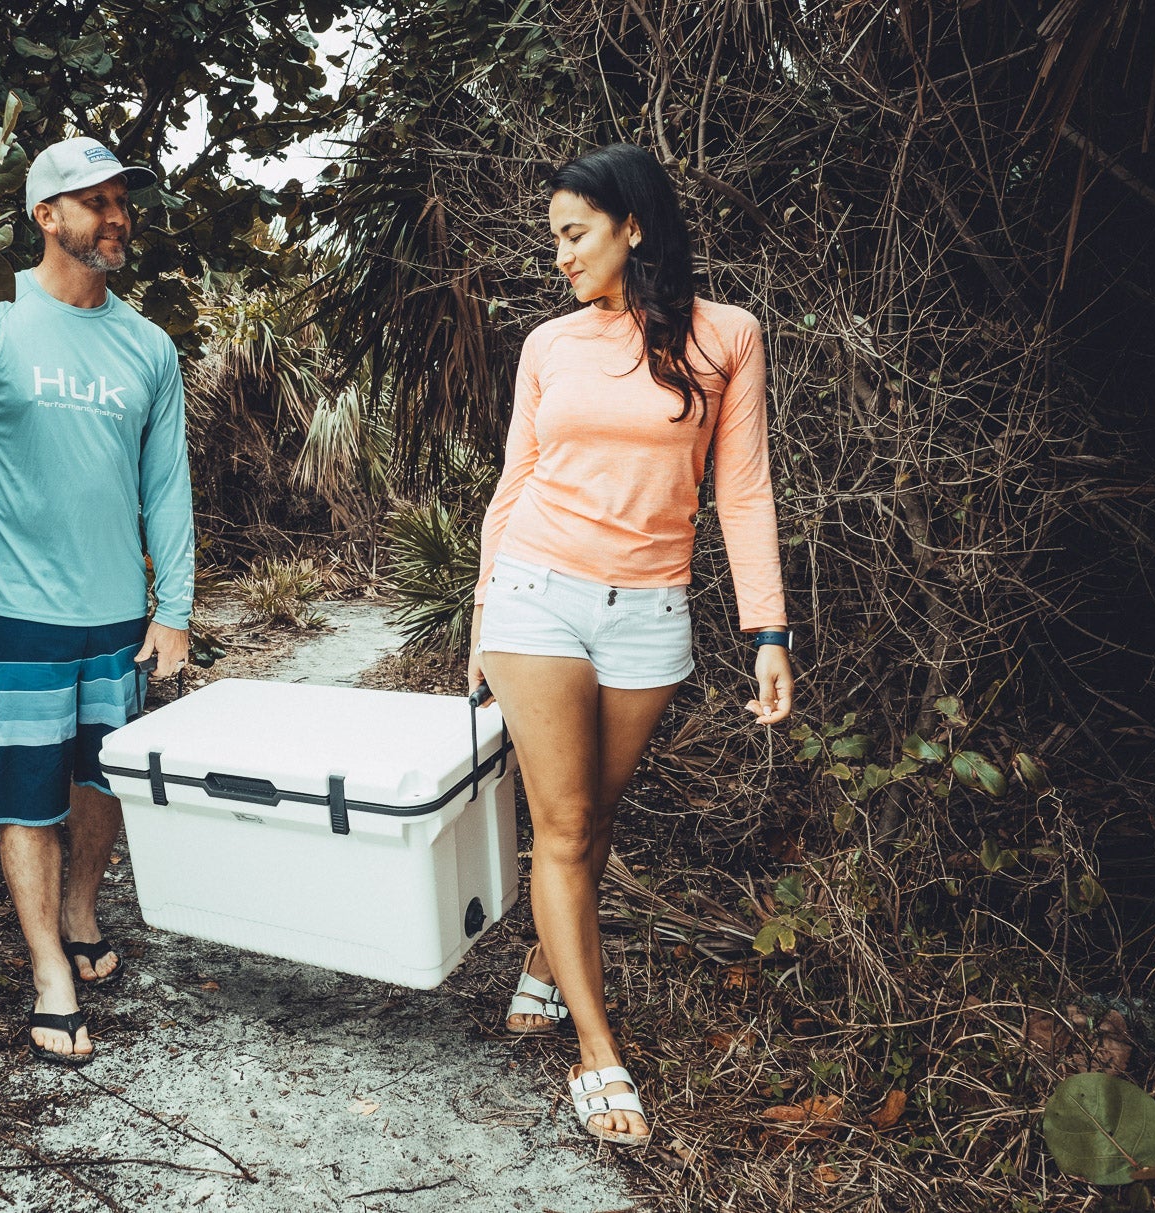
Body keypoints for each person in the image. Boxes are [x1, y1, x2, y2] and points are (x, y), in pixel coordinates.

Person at [467, 144, 794, 1145]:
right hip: (535, 593)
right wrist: (484, 614)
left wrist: (766, 629)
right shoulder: (546, 346)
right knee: (561, 825)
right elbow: (512, 481)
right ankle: (595, 1051)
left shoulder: (726, 337)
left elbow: (739, 489)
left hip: (648, 608)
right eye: (554, 237)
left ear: (631, 228)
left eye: (574, 234)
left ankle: (544, 957)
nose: (558, 256)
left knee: (593, 814)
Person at [0, 136, 194, 1066]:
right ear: (46, 216)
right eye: (95, 200)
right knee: (27, 797)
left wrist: (174, 605)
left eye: (123, 201)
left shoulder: (148, 346)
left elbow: (168, 487)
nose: (116, 217)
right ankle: (48, 974)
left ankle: (80, 907)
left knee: (102, 783)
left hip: (118, 615)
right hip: (19, 612)